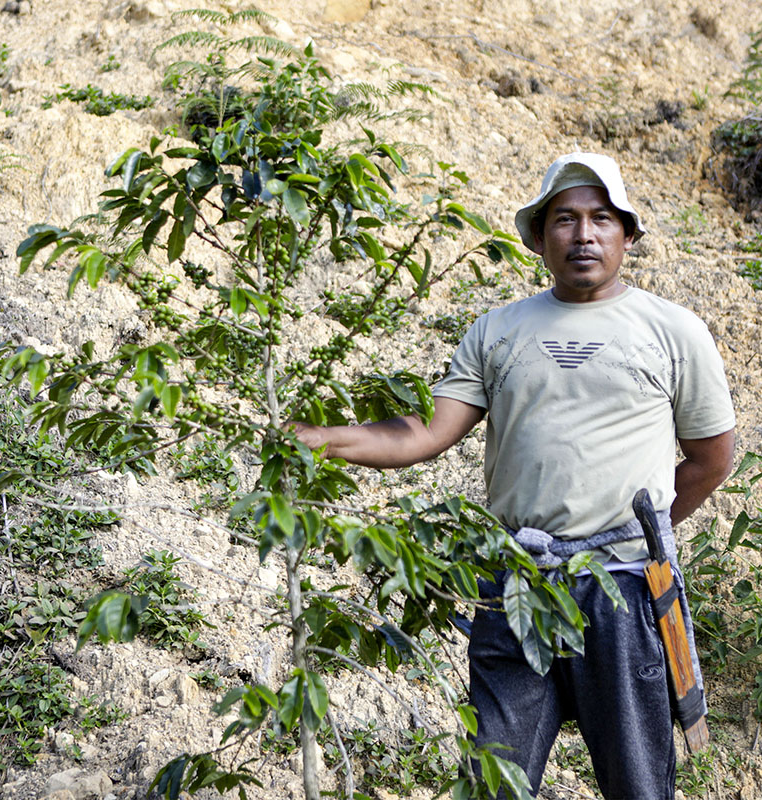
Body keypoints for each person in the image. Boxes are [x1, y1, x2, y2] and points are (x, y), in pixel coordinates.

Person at [294, 152, 735, 799]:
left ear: (627, 234)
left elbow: (711, 458)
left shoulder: (673, 332)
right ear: (538, 237)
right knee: (494, 782)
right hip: (515, 585)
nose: (583, 234)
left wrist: (641, 537)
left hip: (624, 592)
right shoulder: (499, 331)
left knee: (638, 785)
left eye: (601, 219)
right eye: (565, 219)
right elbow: (427, 431)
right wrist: (320, 439)